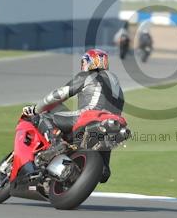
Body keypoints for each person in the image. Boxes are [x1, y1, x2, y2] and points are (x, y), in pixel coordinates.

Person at [22, 49, 124, 183]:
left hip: (90, 116)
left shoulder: (88, 75)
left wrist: (36, 109)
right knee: (103, 173)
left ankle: (56, 144)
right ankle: (102, 166)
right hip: (114, 124)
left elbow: (58, 95)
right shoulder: (117, 87)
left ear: (89, 62)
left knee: (44, 116)